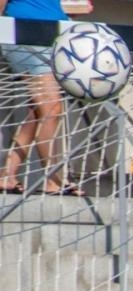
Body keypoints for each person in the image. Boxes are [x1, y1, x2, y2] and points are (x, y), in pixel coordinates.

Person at [1, 0, 85, 195]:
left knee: (38, 112)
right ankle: (54, 180)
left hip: (54, 35)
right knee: (52, 108)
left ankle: (8, 174)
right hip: (25, 34)